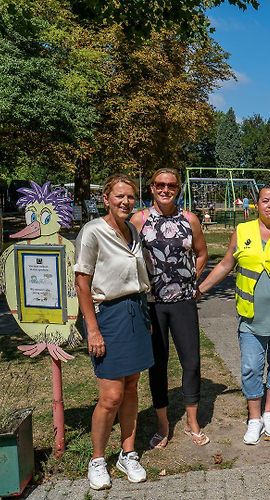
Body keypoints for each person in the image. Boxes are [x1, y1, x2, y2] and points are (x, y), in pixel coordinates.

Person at [197, 186, 270, 444]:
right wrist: (200, 288)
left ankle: (269, 413)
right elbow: (225, 264)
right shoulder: (242, 231)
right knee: (251, 367)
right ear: (257, 204)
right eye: (265, 201)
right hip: (251, 316)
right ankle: (254, 418)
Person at [74, 174, 153, 490]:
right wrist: (92, 329)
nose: (125, 201)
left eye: (130, 197)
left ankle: (128, 453)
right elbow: (82, 283)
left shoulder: (132, 230)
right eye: (119, 196)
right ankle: (97, 460)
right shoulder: (93, 232)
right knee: (111, 396)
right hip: (107, 315)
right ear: (105, 199)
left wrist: (144, 314)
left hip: (135, 310)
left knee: (132, 386)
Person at [131, 168, 209, 448]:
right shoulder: (139, 219)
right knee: (158, 364)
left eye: (171, 185)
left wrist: (192, 280)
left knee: (191, 361)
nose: (165, 189)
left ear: (178, 188)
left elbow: (202, 253)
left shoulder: (190, 219)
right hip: (152, 304)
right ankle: (163, 424)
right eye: (160, 185)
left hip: (183, 303)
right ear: (151, 188)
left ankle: (192, 420)